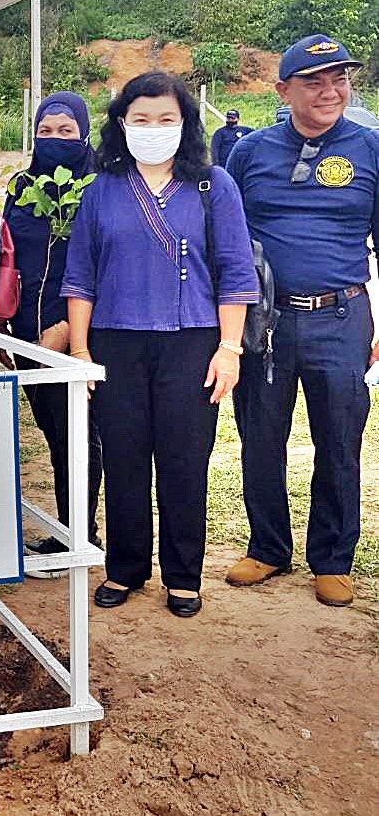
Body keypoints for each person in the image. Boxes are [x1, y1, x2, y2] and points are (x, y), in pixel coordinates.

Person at [61, 71, 258, 618]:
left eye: (166, 119)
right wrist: (80, 352)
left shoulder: (214, 186)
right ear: (121, 125)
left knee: (184, 459)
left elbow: (236, 271)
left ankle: (183, 575)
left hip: (192, 343)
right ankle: (125, 568)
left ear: (185, 124)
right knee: (122, 457)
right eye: (141, 119)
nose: (153, 129)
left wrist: (230, 348)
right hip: (115, 343)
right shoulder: (101, 189)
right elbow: (81, 277)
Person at [225, 34, 379, 608]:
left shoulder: (370, 149)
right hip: (264, 323)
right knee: (260, 435)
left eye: (339, 79)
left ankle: (333, 559)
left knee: (339, 439)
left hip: (341, 316)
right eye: (314, 81)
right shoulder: (249, 152)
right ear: (282, 90)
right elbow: (225, 238)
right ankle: (267, 547)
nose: (330, 90)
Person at [5, 92, 104, 564]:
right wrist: (6, 327)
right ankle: (71, 527)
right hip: (26, 333)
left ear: (84, 134)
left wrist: (67, 327)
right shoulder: (22, 188)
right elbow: (8, 258)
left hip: (80, 334)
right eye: (46, 131)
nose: (55, 140)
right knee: (53, 432)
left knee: (80, 434)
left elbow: (107, 264)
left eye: (66, 131)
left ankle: (83, 532)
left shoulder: (100, 188)